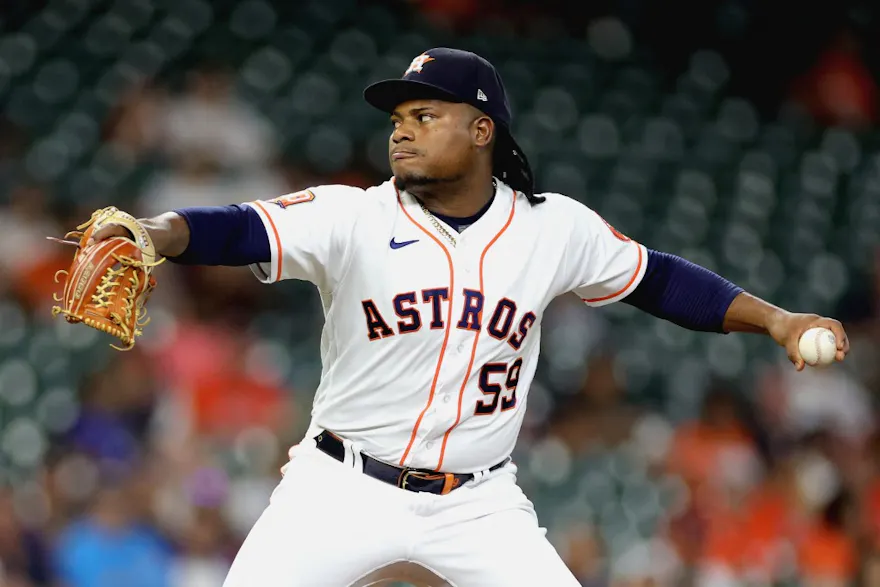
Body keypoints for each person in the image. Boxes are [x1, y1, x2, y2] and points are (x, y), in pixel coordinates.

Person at [90, 48, 850, 586]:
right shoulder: (352, 215)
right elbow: (237, 226)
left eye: (425, 114)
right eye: (397, 117)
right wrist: (155, 234)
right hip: (341, 486)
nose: (401, 129)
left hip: (478, 502)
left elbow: (661, 281)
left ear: (483, 129)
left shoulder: (553, 228)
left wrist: (776, 319)